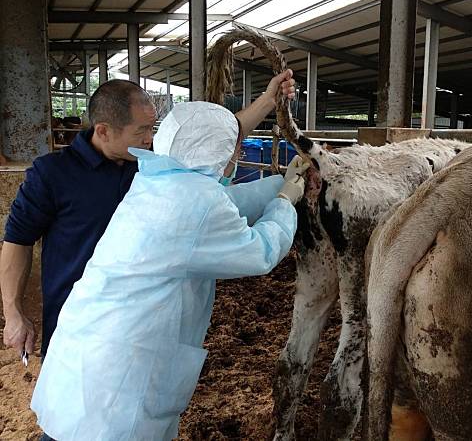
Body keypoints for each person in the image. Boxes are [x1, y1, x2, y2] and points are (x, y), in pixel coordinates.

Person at [30, 101, 309, 441]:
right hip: (121, 384)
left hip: (87, 356)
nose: (235, 156)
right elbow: (259, 251)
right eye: (234, 147)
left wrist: (277, 184)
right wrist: (285, 201)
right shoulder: (196, 202)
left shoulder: (157, 182)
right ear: (218, 152)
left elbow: (224, 207)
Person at [1, 71, 295, 367]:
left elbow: (215, 136)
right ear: (103, 131)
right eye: (141, 130)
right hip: (76, 320)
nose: (150, 138)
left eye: (153, 128)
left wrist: (268, 100)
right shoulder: (52, 173)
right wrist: (12, 312)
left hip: (144, 326)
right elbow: (18, 240)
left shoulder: (152, 165)